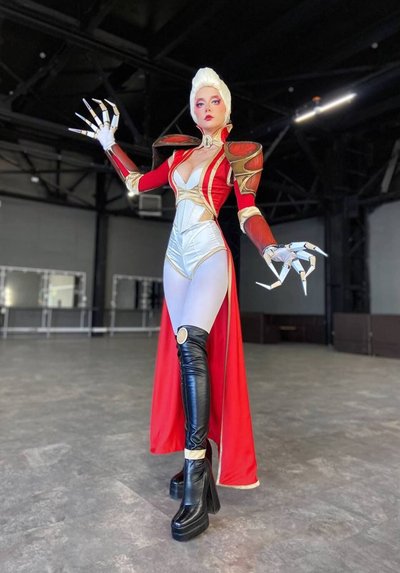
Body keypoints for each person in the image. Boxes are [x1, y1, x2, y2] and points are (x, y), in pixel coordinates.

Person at [70, 67, 326, 542]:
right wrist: (110, 144)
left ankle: (193, 480)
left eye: (214, 101)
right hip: (175, 257)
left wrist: (271, 249)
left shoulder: (240, 153)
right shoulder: (180, 156)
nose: (206, 108)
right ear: (193, 111)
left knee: (191, 344)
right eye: (199, 102)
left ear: (227, 108)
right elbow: (136, 183)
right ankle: (200, 464)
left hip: (208, 251)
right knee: (181, 351)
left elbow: (247, 211)